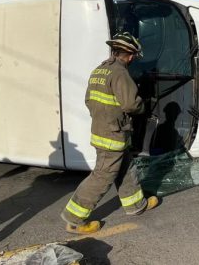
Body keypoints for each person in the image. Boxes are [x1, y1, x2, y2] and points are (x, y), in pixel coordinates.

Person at [60, 32, 159, 234]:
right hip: (113, 135)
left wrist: (106, 117)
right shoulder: (120, 73)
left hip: (104, 130)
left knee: (125, 168)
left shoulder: (99, 70)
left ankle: (135, 205)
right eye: (134, 57)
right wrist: (143, 106)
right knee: (102, 176)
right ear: (130, 56)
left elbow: (89, 100)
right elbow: (131, 104)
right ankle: (74, 219)